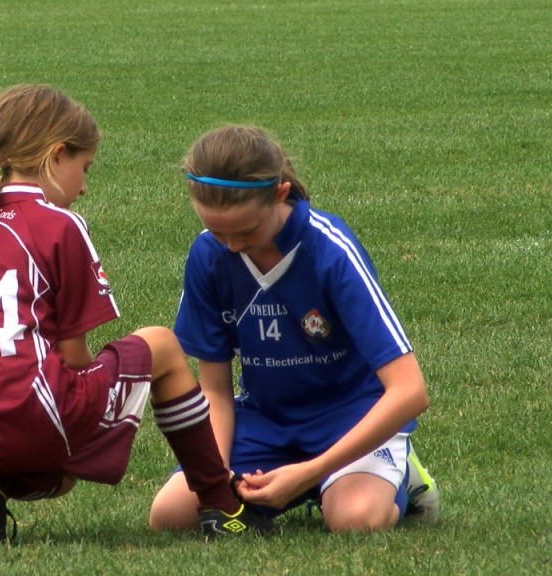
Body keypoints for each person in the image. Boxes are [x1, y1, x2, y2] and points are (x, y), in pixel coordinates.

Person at [0, 86, 275, 543]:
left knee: (61, 468)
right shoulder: (58, 224)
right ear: (56, 157)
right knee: (162, 347)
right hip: (36, 413)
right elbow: (74, 356)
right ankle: (221, 504)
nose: (85, 185)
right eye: (84, 168)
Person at [149, 125, 440, 534]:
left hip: (350, 418)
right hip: (266, 423)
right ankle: (300, 479)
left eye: (246, 231)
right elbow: (214, 389)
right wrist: (216, 483)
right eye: (218, 232)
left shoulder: (330, 250)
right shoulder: (208, 256)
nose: (231, 246)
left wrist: (308, 472)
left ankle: (403, 473)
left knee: (355, 521)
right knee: (171, 517)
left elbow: (410, 391)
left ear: (280, 194)